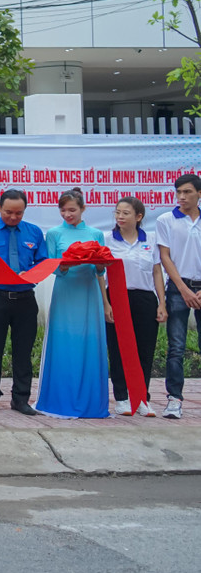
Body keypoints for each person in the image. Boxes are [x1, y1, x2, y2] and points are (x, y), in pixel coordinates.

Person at [35, 189, 110, 419]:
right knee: (64, 344)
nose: (67, 214)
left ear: (83, 209)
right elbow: (51, 265)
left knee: (89, 345)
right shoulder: (54, 234)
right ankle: (60, 401)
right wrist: (63, 267)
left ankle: (90, 403)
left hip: (89, 294)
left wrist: (98, 264)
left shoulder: (96, 233)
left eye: (72, 210)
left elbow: (101, 269)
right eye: (63, 210)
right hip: (65, 293)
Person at [0, 189, 46, 416]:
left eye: (18, 213)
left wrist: (30, 273)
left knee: (23, 351)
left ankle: (21, 399)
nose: (13, 217)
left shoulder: (34, 232)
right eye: (8, 212)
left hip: (25, 299)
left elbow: (42, 261)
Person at [105, 196, 166, 418]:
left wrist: (162, 303)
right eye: (117, 212)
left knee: (144, 350)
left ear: (138, 217)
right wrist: (106, 303)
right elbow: (100, 274)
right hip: (117, 298)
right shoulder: (107, 240)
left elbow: (157, 271)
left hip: (145, 299)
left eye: (126, 213)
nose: (120, 217)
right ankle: (121, 398)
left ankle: (141, 398)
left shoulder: (150, 239)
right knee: (118, 349)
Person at [156, 172, 201, 420]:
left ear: (199, 194)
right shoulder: (166, 220)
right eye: (179, 192)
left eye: (187, 192)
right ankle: (174, 399)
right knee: (176, 347)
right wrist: (184, 289)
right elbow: (165, 257)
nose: (182, 197)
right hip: (177, 287)